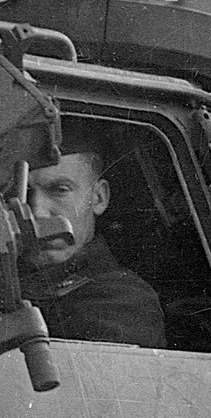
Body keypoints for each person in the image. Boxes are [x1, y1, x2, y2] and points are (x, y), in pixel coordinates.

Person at [17, 147, 167, 348]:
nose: (37, 211)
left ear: (99, 198)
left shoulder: (122, 299)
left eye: (60, 190)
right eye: (23, 194)